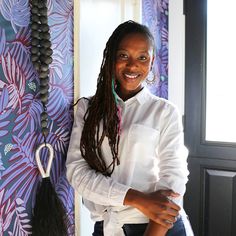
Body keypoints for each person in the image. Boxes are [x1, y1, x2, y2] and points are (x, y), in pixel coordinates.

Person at [66, 20, 193, 236]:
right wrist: (136, 198)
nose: (133, 65)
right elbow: (77, 173)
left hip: (157, 227)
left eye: (142, 57)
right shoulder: (87, 109)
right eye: (124, 55)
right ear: (111, 59)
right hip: (106, 227)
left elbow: (174, 178)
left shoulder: (164, 112)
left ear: (151, 63)